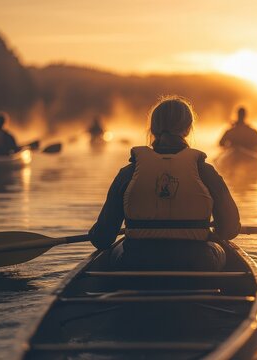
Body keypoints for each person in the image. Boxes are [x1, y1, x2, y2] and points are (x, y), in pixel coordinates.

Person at [89, 96, 240, 271]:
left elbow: (102, 239)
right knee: (223, 249)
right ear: (188, 129)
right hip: (197, 266)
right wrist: (206, 233)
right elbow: (230, 230)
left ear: (153, 129)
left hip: (136, 265)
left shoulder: (128, 173)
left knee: (115, 249)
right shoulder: (206, 172)